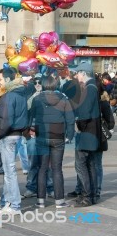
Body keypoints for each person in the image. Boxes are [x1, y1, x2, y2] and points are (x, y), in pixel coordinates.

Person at [29, 75, 75, 209]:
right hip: (58, 136)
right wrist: (69, 136)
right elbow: (70, 120)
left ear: (43, 85)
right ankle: (59, 201)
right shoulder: (64, 100)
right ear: (56, 85)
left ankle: (40, 201)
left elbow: (30, 116)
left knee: (42, 169)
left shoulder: (37, 99)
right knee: (57, 169)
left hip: (42, 136)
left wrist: (29, 132)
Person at [0, 68, 30, 215]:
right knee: (9, 170)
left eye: (0, 79)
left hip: (8, 135)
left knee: (9, 172)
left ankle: (13, 204)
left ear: (8, 80)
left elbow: (5, 119)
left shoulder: (9, 96)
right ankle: (7, 202)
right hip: (16, 134)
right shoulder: (21, 94)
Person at [73, 62, 101, 207]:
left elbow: (84, 113)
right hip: (92, 133)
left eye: (77, 73)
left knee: (80, 165)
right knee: (90, 165)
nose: (76, 76)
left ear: (83, 73)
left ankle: (86, 196)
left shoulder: (89, 88)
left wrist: (79, 126)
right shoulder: (93, 87)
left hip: (87, 133)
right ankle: (92, 195)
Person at [22, 73, 54, 199]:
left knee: (49, 163)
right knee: (33, 162)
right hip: (33, 133)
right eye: (35, 83)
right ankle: (31, 186)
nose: (37, 85)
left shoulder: (50, 97)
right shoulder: (32, 97)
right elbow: (26, 110)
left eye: (39, 83)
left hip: (47, 133)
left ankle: (50, 187)